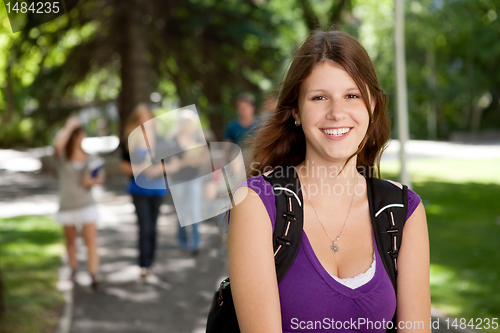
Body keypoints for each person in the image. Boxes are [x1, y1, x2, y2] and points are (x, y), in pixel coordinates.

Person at [227, 30, 431, 333]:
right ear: (296, 110)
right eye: (319, 97)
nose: (337, 112)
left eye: (352, 96)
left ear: (372, 105)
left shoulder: (403, 211)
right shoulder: (256, 202)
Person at [120, 104, 180, 279]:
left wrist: (159, 168)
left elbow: (174, 164)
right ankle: (143, 264)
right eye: (140, 118)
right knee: (144, 227)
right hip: (138, 189)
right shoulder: (130, 140)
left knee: (153, 228)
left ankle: (151, 262)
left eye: (147, 117)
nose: (144, 121)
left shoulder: (162, 140)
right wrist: (141, 169)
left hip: (158, 189)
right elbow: (123, 166)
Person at [53, 117, 104, 291]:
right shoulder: (63, 158)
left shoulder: (91, 158)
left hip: (86, 204)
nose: (79, 137)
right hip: (68, 205)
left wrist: (91, 181)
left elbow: (100, 178)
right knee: (71, 240)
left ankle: (93, 273)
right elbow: (58, 145)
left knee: (91, 241)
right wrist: (69, 125)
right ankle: (73, 270)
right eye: (76, 134)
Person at [169, 110, 208, 256]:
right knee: (182, 213)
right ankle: (183, 242)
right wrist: (186, 160)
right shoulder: (173, 141)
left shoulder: (197, 139)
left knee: (195, 210)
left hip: (194, 179)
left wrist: (197, 157)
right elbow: (173, 164)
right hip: (178, 180)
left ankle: (196, 243)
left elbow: (203, 160)